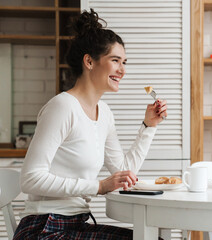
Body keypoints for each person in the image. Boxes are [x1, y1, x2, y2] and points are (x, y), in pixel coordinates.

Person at [13, 9, 167, 240]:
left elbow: (122, 174)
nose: (122, 70)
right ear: (89, 61)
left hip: (76, 224)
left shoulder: (104, 113)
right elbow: (31, 179)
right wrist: (97, 186)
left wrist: (149, 126)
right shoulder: (63, 107)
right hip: (43, 227)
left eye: (124, 62)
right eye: (115, 60)